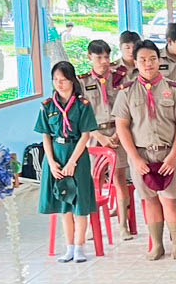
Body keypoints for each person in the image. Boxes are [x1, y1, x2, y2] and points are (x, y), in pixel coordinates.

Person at [114, 39, 176, 260]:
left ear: (159, 61)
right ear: (135, 62)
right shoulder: (127, 92)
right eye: (143, 60)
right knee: (149, 199)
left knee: (172, 199)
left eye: (152, 59)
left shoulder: (173, 89)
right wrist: (135, 158)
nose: (148, 64)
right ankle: (157, 245)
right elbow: (122, 126)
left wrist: (174, 155)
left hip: (169, 153)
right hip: (142, 155)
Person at [36, 60, 98, 263]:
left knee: (79, 204)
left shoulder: (82, 105)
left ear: (72, 80)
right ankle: (69, 247)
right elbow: (46, 135)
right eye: (55, 79)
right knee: (64, 204)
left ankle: (80, 247)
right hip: (56, 156)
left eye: (63, 79)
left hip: (77, 156)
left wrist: (72, 162)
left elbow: (85, 135)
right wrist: (51, 162)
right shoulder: (47, 106)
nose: (59, 83)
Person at [79, 39, 134, 240]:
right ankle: (94, 226)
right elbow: (82, 115)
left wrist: (118, 134)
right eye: (99, 57)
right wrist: (99, 137)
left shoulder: (120, 77)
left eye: (106, 56)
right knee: (95, 181)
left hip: (118, 133)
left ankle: (123, 225)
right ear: (89, 57)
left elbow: (128, 108)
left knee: (120, 179)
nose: (104, 61)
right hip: (95, 136)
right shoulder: (82, 82)